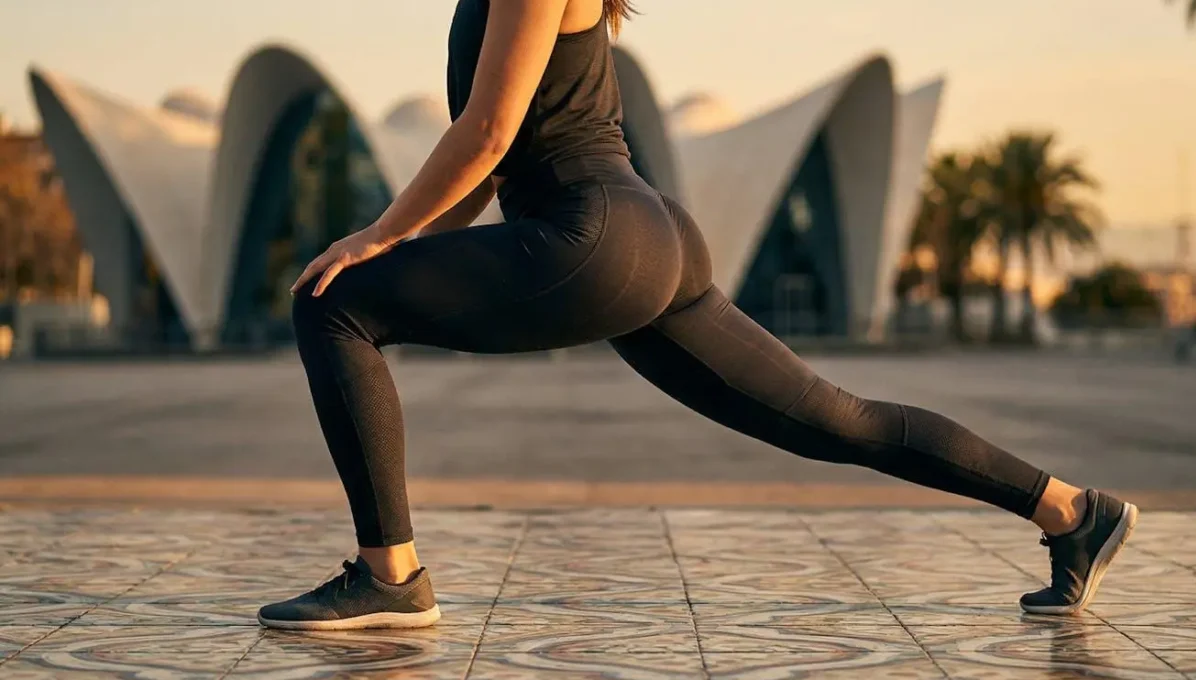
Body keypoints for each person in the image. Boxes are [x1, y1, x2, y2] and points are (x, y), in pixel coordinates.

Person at [257, 0, 1138, 631]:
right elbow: (488, 166)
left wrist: (374, 240)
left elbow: (488, 135)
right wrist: (388, 243)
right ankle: (1072, 511)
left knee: (331, 304)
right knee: (834, 417)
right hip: (645, 233)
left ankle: (391, 577)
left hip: (591, 231)